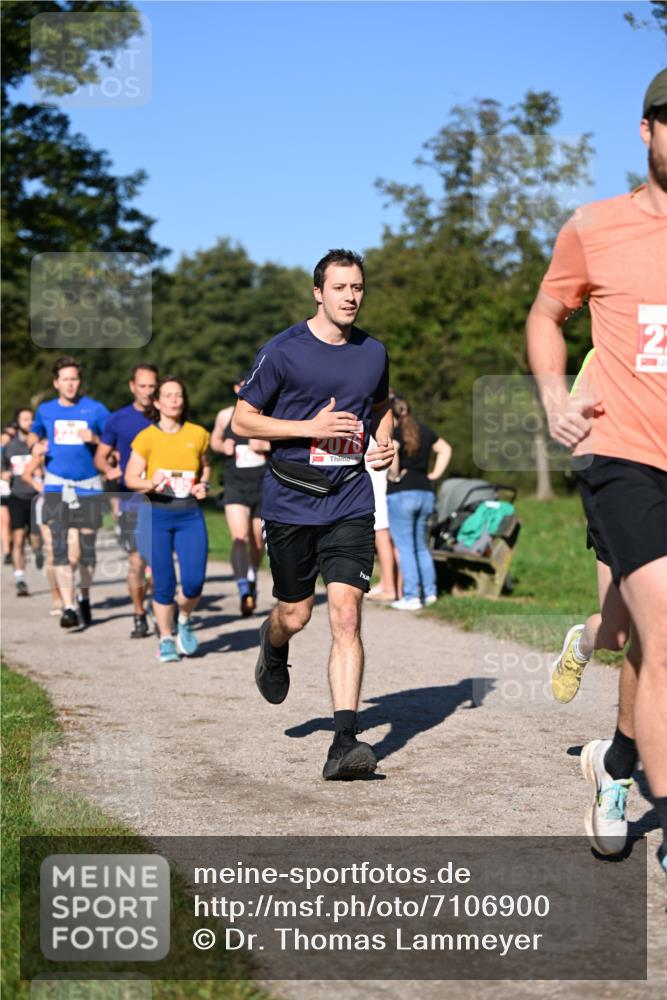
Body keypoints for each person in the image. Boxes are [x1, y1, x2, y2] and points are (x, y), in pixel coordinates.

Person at [526, 68, 667, 871]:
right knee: (650, 625)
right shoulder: (596, 227)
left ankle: (614, 767)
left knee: (644, 641)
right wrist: (552, 396)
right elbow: (548, 311)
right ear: (643, 130)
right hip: (620, 457)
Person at [232, 248, 394, 781]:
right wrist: (309, 429)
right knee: (296, 613)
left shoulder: (373, 352)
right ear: (318, 292)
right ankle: (272, 643)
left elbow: (381, 407)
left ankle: (344, 741)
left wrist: (384, 443)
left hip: (350, 497)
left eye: (358, 288)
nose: (351, 296)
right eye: (341, 287)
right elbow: (243, 421)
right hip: (292, 501)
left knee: (345, 616)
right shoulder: (283, 351)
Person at [125, 376, 211, 663]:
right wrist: (150, 482)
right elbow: (130, 478)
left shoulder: (198, 434)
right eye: (168, 395)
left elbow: (206, 467)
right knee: (163, 582)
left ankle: (184, 617)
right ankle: (165, 638)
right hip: (156, 515)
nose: (175, 400)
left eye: (179, 395)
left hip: (189, 514)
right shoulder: (147, 437)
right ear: (158, 402)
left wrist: (204, 485)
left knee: (194, 583)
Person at [28, 356, 110, 629]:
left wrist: (96, 439)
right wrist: (35, 446)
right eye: (65, 379)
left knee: (84, 553)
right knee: (64, 552)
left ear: (79, 381)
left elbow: (112, 444)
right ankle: (69, 606)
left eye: (74, 379)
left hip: (88, 487)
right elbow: (33, 434)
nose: (71, 384)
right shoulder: (46, 410)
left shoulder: (95, 410)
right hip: (56, 485)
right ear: (56, 383)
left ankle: (84, 595)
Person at [95, 364, 158, 638]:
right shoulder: (118, 419)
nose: (147, 391)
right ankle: (138, 614)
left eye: (152, 386)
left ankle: (161, 607)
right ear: (132, 386)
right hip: (131, 500)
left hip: (162, 500)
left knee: (159, 562)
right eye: (142, 386)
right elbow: (101, 455)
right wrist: (109, 470)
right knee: (136, 561)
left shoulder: (167, 415)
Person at [386, 397, 451, 610]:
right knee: (421, 546)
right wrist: (434, 474)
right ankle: (430, 593)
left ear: (392, 415)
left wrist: (393, 475)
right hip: (425, 492)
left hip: (401, 493)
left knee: (405, 547)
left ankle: (412, 596)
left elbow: (393, 452)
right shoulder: (425, 430)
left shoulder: (396, 433)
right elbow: (445, 449)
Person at [211, 378, 269, 616]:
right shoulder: (226, 415)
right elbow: (213, 439)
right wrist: (221, 445)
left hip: (262, 484)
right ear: (236, 388)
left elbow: (287, 442)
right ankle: (243, 588)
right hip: (235, 483)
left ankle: (252, 576)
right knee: (239, 536)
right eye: (243, 385)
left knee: (257, 541)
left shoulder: (268, 413)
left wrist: (265, 445)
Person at [22, 448, 79, 615]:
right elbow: (26, 474)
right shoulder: (45, 451)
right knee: (53, 553)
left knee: (74, 556)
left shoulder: (73, 449)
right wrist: (38, 485)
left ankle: (67, 588)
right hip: (48, 506)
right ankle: (57, 597)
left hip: (73, 503)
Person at [1, 408, 44, 596]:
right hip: (17, 496)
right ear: (18, 422)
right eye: (25, 419)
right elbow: (1, 470)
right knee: (17, 538)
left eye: (32, 419)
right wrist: (5, 474)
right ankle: (20, 578)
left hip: (36, 497)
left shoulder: (38, 445)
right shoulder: (9, 447)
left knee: (35, 538)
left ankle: (38, 551)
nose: (30, 422)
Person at [365, 433, 400, 602]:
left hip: (377, 492)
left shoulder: (371, 435)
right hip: (384, 490)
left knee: (383, 540)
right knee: (390, 543)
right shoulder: (383, 435)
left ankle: (390, 588)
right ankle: (390, 584)